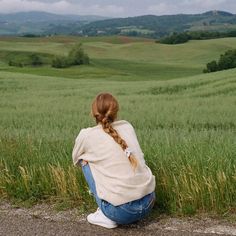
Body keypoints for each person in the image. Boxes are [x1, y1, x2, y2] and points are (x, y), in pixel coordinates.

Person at [72, 92, 156, 229]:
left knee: (83, 160)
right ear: (116, 112)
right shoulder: (127, 126)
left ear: (93, 113)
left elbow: (75, 159)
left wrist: (91, 158)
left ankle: (106, 215)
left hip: (120, 212)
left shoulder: (87, 135)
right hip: (149, 202)